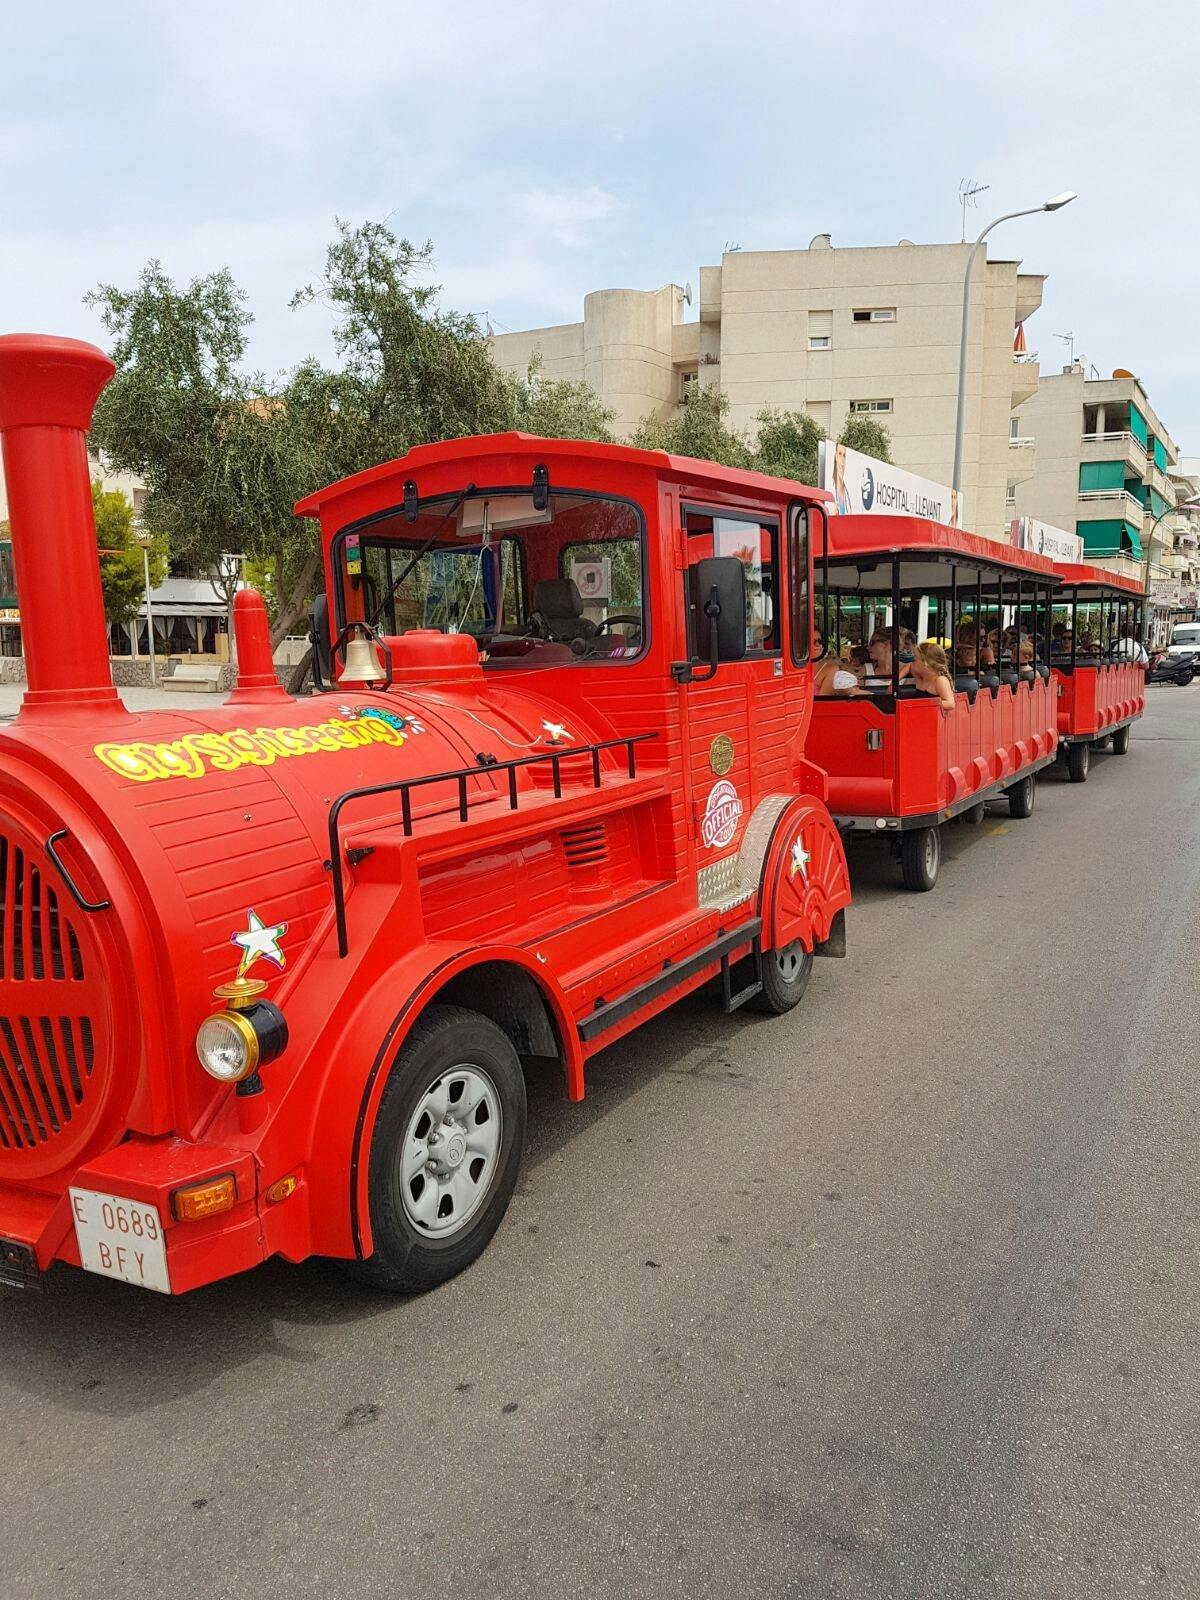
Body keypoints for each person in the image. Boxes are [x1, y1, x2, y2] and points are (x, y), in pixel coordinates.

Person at [910, 641, 956, 714]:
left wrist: (923, 704)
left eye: (915, 658)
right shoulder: (920, 677)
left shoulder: (940, 680)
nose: (912, 661)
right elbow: (909, 666)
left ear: (925, 663)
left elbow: (950, 703)